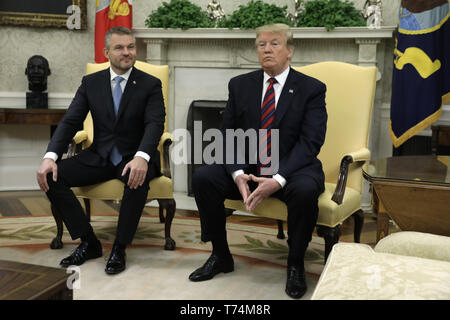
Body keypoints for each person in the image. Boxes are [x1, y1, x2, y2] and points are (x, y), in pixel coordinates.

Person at [188, 23, 327, 299]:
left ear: (290, 51)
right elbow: (227, 136)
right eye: (261, 44)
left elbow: (310, 142)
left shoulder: (311, 88)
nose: (266, 49)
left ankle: (295, 263)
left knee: (305, 190)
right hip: (251, 167)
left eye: (274, 43)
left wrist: (277, 179)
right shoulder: (240, 85)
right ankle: (220, 255)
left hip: (293, 168)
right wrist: (238, 173)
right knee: (204, 178)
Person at [36, 26, 165, 275]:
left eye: (130, 47)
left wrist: (142, 157)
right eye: (119, 47)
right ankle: (89, 242)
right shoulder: (91, 83)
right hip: (100, 155)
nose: (127, 52)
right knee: (51, 176)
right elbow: (71, 121)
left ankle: (119, 247)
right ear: (107, 52)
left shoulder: (150, 84)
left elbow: (155, 123)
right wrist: (50, 157)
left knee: (136, 178)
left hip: (135, 155)